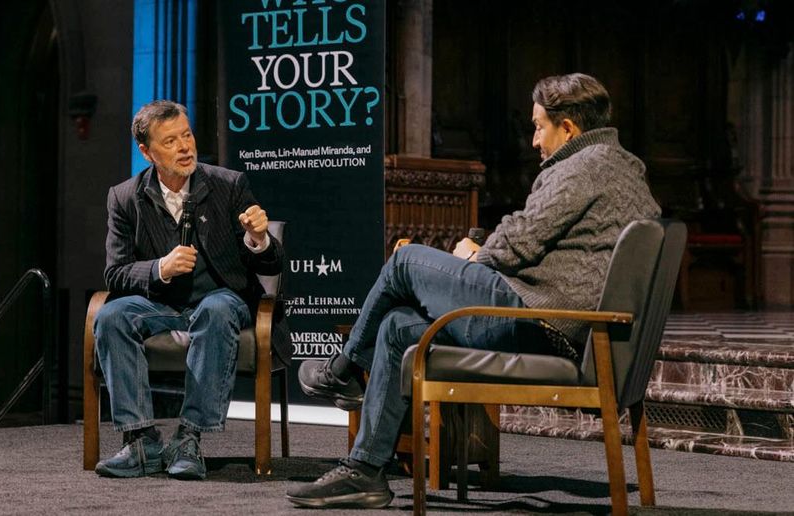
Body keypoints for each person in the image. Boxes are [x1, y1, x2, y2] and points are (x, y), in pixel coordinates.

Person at [286, 73, 661, 508]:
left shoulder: (584, 166)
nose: (534, 140)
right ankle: (366, 471)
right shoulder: (625, 168)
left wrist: (474, 254)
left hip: (536, 323)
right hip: (564, 329)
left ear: (569, 128)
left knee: (405, 262)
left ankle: (345, 368)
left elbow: (521, 239)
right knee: (396, 326)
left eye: (539, 126)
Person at [93, 100, 284, 480]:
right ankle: (141, 441)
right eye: (171, 141)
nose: (185, 147)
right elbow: (114, 273)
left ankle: (188, 438)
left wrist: (258, 238)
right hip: (161, 304)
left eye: (187, 135)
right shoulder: (125, 197)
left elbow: (271, 266)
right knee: (111, 314)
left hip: (221, 297)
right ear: (146, 152)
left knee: (216, 310)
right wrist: (160, 268)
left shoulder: (229, 185)